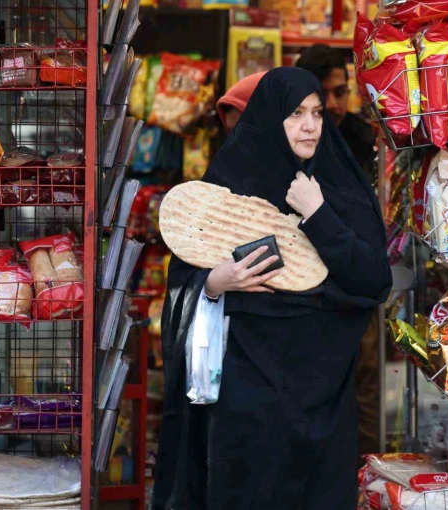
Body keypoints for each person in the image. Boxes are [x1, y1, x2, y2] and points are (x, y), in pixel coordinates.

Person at [152, 67, 391, 510]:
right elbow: (184, 275)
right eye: (295, 113)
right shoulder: (228, 186)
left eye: (317, 113)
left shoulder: (337, 186)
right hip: (248, 397)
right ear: (267, 118)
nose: (310, 126)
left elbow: (374, 281)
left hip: (324, 394)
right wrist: (214, 283)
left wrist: (317, 213)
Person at [296, 43, 382, 459]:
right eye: (319, 98)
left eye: (341, 92)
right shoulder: (289, 148)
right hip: (303, 299)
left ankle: (365, 477)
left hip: (355, 288)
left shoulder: (361, 139)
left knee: (364, 383)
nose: (332, 106)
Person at [295, 44, 376, 176]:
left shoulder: (365, 139)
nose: (332, 104)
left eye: (340, 92)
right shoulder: (282, 138)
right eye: (321, 94)